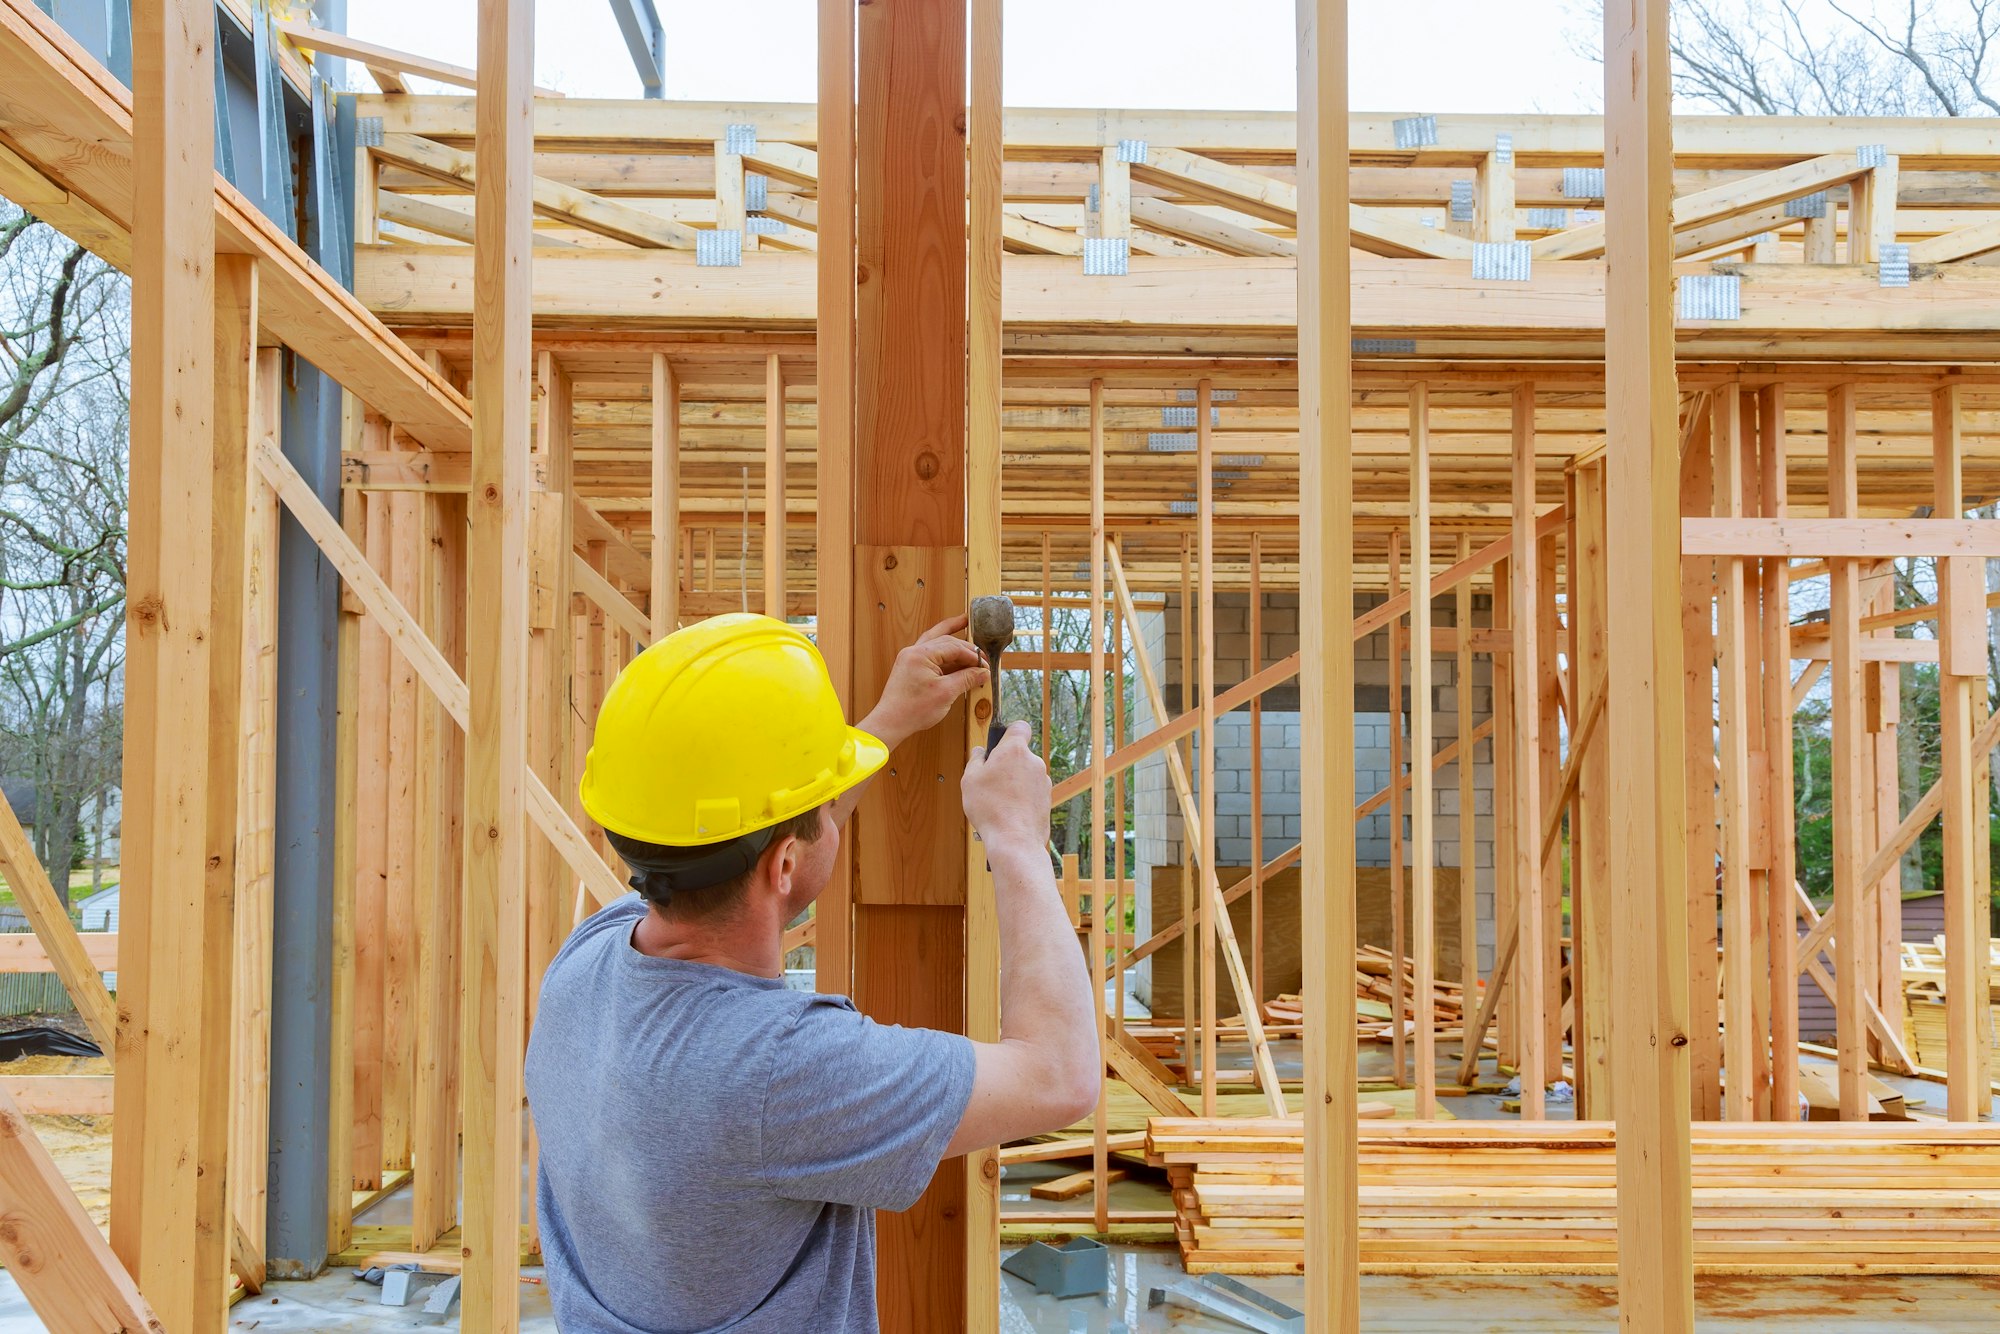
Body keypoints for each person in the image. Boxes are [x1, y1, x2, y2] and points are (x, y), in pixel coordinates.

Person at [525, 611, 1102, 1333]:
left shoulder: (585, 962)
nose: (833, 814)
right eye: (824, 806)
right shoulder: (782, 1071)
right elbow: (1060, 1075)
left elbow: (755, 855)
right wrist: (1016, 840)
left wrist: (885, 725)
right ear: (787, 861)